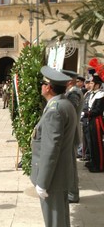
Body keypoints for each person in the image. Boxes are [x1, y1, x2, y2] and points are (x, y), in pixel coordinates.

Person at [30, 66, 77, 227]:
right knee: (61, 218)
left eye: (43, 83)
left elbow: (51, 150)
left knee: (54, 221)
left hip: (53, 178)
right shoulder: (64, 104)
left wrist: (42, 182)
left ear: (49, 87)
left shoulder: (54, 111)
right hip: (60, 173)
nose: (41, 86)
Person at [61, 69, 84, 204]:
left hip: (71, 133)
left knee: (71, 166)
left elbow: (69, 109)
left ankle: (73, 194)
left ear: (69, 80)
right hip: (70, 132)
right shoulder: (70, 91)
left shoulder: (74, 92)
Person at [83, 74, 104, 172]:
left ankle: (99, 165)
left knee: (97, 143)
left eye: (92, 83)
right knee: (90, 142)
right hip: (90, 120)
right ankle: (93, 161)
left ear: (97, 85)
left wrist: (87, 113)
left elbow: (98, 110)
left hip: (96, 121)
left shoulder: (101, 94)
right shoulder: (91, 93)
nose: (90, 84)